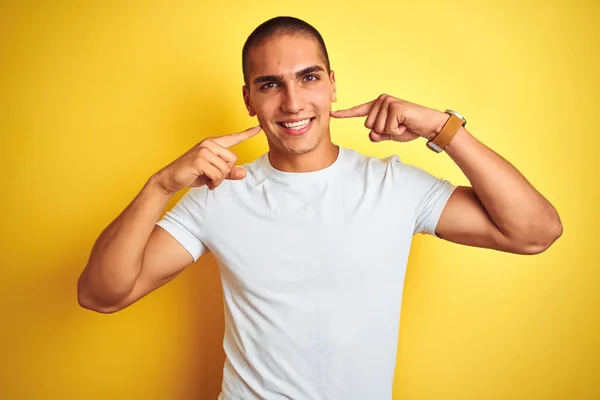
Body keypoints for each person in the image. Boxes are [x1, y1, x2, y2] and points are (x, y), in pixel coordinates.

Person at [77, 16, 562, 400]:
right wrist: (159, 186)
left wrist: (443, 128)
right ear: (248, 99)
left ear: (332, 85)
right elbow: (103, 294)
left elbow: (534, 232)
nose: (292, 102)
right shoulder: (219, 194)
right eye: (269, 84)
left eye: (308, 78)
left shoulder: (392, 184)